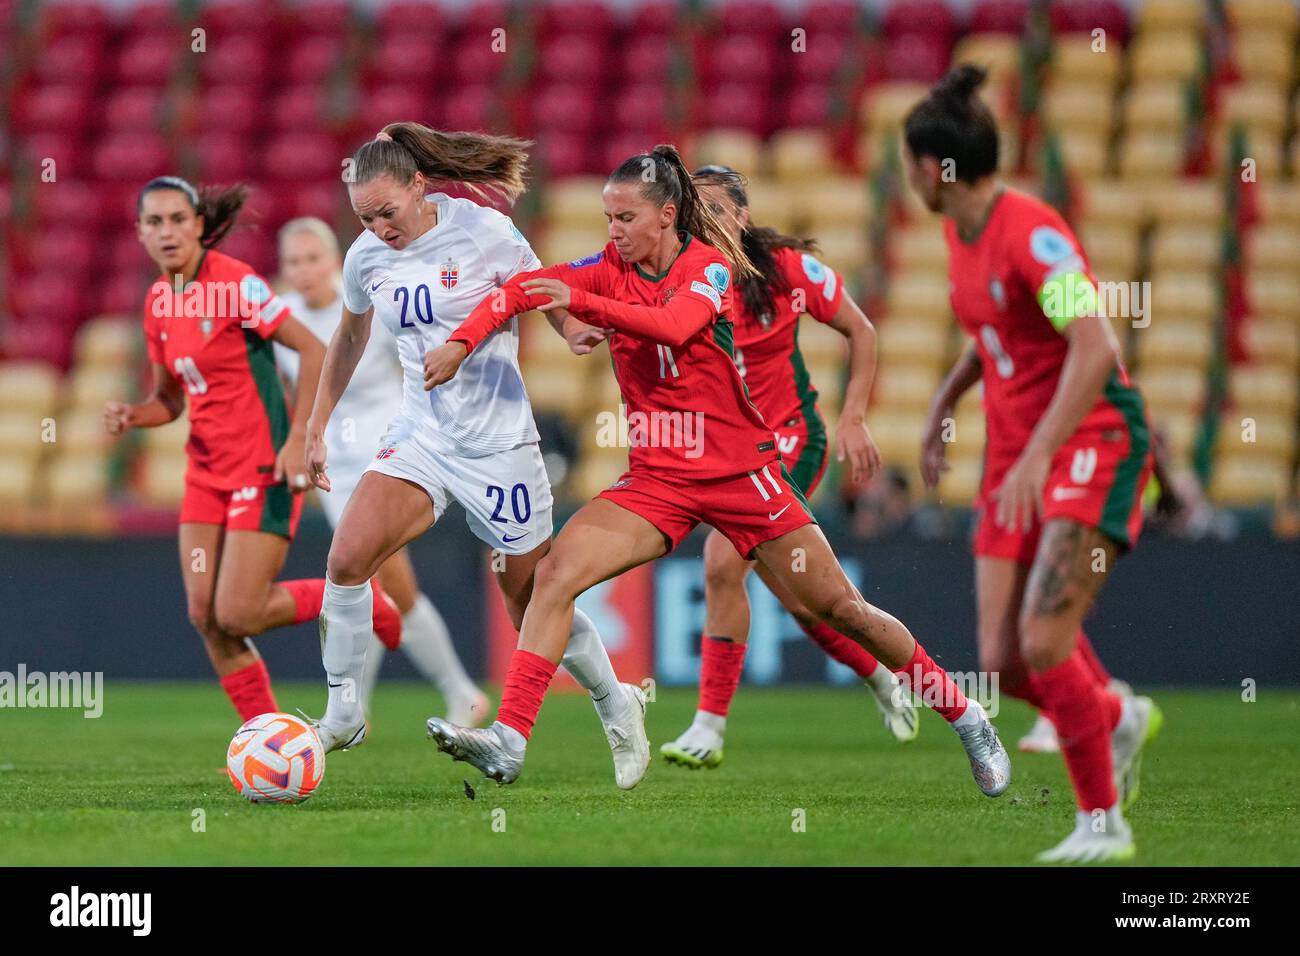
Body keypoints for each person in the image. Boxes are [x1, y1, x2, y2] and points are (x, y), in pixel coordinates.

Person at [422, 145, 1011, 798]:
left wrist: (588, 306)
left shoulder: (709, 270)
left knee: (844, 609)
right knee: (554, 575)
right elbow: (518, 291)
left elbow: (674, 328)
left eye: (623, 218)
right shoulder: (607, 268)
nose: (611, 231)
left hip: (740, 474)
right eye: (607, 217)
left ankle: (966, 715)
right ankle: (509, 739)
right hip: (657, 479)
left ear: (667, 215)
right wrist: (461, 340)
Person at [304, 123, 649, 790]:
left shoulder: (482, 230)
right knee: (346, 558)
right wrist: (319, 423)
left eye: (387, 213)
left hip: (499, 445)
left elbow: (536, 286)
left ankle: (616, 701)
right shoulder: (365, 258)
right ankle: (344, 712)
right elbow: (347, 338)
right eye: (364, 218)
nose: (378, 228)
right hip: (423, 436)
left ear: (419, 186)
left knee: (529, 605)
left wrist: (572, 329)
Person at [906, 66, 1162, 862]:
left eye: (907, 163)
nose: (906, 176)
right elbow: (995, 335)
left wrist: (1040, 454)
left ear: (931, 168)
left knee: (1047, 641)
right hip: (1018, 451)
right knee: (1005, 661)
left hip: (1089, 440)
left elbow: (1096, 347)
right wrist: (947, 401)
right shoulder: (960, 229)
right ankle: (1116, 717)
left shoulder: (1031, 234)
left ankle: (1102, 824)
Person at [104, 177, 399, 722]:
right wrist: (135, 414)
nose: (166, 231)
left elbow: (312, 349)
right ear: (141, 232)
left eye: (176, 219)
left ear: (197, 225)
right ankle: (263, 735)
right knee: (205, 614)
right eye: (154, 222)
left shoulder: (236, 283)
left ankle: (364, 599)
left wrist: (297, 439)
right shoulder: (157, 303)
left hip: (262, 466)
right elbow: (169, 401)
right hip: (205, 474)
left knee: (238, 611)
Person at [660, 166, 917, 772]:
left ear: (742, 218)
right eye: (698, 212)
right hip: (727, 453)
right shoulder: (677, 278)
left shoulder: (787, 274)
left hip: (790, 444)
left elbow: (862, 329)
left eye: (719, 210)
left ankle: (709, 727)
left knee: (723, 563)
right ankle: (878, 674)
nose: (709, 222)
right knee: (803, 603)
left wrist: (855, 417)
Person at [274, 217, 486, 725]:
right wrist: (299, 438)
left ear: (333, 262)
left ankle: (458, 692)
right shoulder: (285, 319)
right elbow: (293, 391)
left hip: (388, 448)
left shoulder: (368, 304)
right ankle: (361, 710)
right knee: (361, 581)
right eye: (294, 261)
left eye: (313, 258)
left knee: (384, 579)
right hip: (333, 465)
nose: (304, 271)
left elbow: (417, 362)